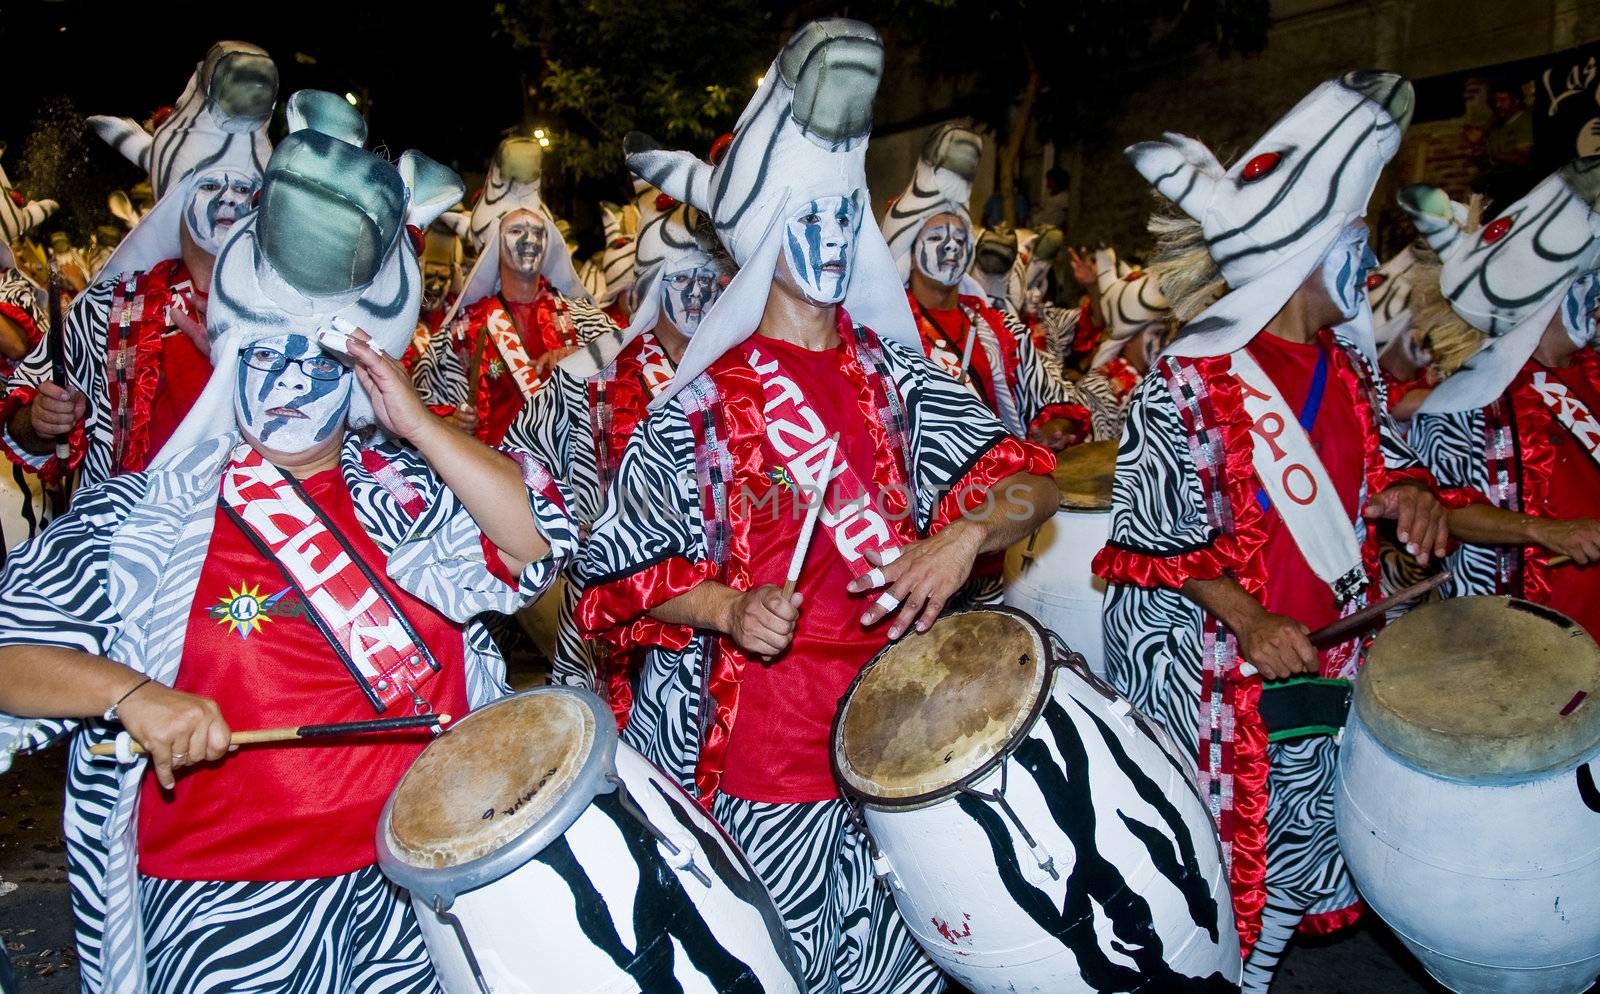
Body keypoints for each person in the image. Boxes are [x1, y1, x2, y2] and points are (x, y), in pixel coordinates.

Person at [0, 120, 576, 994]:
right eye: (268, 355)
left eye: (321, 361)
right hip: (227, 905)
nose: (293, 382)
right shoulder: (146, 517)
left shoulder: (408, 495)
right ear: (233, 355)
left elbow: (533, 541)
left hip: (412, 892)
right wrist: (130, 694)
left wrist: (416, 421)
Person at [579, 20, 1057, 993]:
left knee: (910, 973)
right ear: (761, 233)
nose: (832, 238)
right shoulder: (700, 406)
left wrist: (965, 533)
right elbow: (608, 580)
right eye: (809, 219)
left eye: (844, 217)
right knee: (779, 971)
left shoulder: (896, 379)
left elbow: (1034, 481)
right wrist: (722, 606)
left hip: (902, 739)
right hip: (764, 754)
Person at [1092, 72, 1454, 993]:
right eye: (1356, 242)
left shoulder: (1351, 369)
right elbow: (1150, 540)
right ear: (1303, 248)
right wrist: (1251, 622)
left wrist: (1410, 500)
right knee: (1230, 878)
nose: (1368, 266)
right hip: (1225, 682)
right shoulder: (1191, 376)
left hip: (1331, 658)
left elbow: (1377, 482)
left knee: (1301, 863)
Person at [0, 42, 289, 490]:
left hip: (247, 545)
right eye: (212, 183)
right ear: (176, 198)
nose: (230, 199)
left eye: (245, 188)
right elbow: (20, 420)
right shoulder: (111, 304)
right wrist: (40, 419)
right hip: (124, 540)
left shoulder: (291, 312)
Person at [506, 199, 731, 729]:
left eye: (711, 278)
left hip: (730, 630)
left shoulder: (747, 371)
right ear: (650, 286)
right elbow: (520, 476)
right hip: (610, 634)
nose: (700, 293)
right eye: (684, 279)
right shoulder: (584, 379)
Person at [1406, 160, 1600, 637]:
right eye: (1587, 279)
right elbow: (1441, 507)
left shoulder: (1594, 374)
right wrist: (1542, 529)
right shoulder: (1467, 390)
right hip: (1517, 657)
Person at [883, 122, 1121, 451]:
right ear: (909, 251)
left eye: (960, 237)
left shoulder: (999, 327)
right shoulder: (889, 335)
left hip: (1005, 486)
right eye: (936, 237)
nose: (951, 247)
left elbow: (1050, 394)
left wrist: (1057, 425)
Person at [412, 135, 614, 445]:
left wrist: (586, 356)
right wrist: (448, 421)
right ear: (495, 248)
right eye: (517, 231)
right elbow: (420, 402)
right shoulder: (463, 330)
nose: (530, 240)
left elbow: (629, 368)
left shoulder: (585, 320)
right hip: (492, 480)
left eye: (537, 232)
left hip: (569, 481)